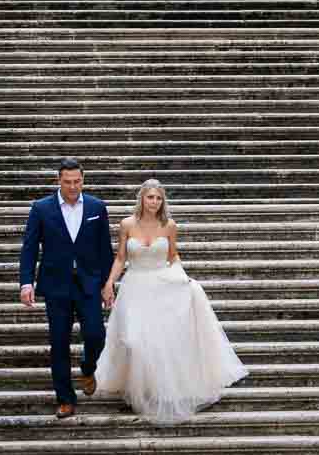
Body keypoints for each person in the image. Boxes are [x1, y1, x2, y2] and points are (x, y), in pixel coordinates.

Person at [95, 177, 247, 425]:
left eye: (158, 198)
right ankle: (137, 389)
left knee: (158, 342)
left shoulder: (169, 226)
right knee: (132, 340)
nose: (154, 202)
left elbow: (173, 256)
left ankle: (154, 392)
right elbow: (121, 258)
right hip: (135, 287)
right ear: (141, 199)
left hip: (162, 285)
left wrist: (183, 281)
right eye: (150, 197)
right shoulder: (126, 224)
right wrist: (109, 282)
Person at [19, 158, 114, 419]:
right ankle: (65, 399)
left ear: (83, 180)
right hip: (56, 285)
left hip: (89, 284)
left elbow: (104, 249)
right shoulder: (41, 208)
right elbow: (29, 247)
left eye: (77, 181)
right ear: (58, 181)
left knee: (96, 335)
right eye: (67, 182)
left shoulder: (97, 207)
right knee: (59, 343)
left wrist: (108, 285)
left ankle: (87, 367)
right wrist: (26, 282)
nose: (73, 186)